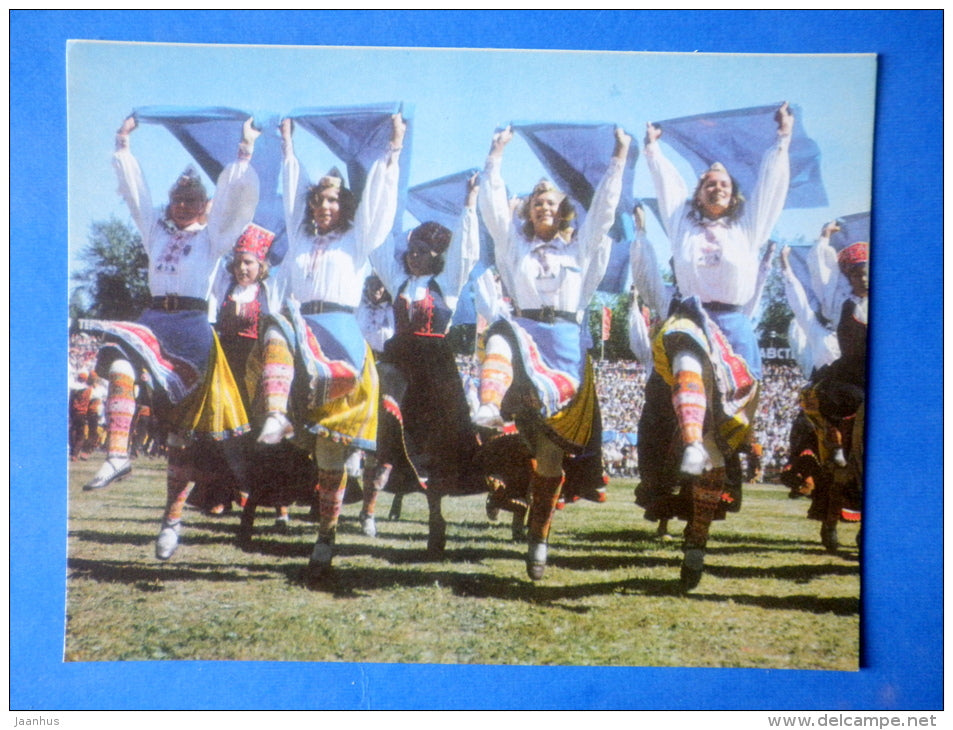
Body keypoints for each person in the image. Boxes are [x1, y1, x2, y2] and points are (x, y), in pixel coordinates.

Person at [81, 114, 261, 564]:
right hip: (152, 322)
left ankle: (172, 521)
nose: (184, 204)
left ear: (204, 205)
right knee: (120, 364)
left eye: (193, 198)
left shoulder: (213, 237)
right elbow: (136, 196)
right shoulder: (155, 232)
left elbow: (235, 204)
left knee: (182, 438)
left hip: (191, 329)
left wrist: (243, 153)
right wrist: (122, 144)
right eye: (179, 197)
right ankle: (118, 453)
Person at [635, 102, 793, 589]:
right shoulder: (682, 225)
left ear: (733, 195)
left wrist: (781, 141)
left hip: (736, 331)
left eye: (724, 182)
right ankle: (686, 447)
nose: (717, 185)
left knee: (719, 451)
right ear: (698, 195)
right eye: (708, 182)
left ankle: (696, 544)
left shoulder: (748, 230)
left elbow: (770, 190)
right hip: (693, 318)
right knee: (682, 347)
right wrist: (653, 149)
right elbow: (667, 189)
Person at [248, 113, 405, 584]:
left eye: (334, 199)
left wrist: (393, 149)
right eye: (320, 198)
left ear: (346, 205)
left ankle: (327, 535)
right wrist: (288, 145)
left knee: (330, 456)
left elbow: (379, 203)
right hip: (303, 326)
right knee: (274, 325)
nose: (324, 205)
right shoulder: (298, 238)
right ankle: (277, 412)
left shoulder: (358, 240)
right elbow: (291, 184)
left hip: (339, 335)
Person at [474, 124, 631, 580]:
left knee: (550, 457)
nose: (545, 207)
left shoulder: (580, 247)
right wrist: (496, 155)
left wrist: (618, 158)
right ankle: (488, 405)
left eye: (553, 203)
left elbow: (602, 210)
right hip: (524, 333)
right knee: (501, 334)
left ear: (563, 212)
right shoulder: (513, 244)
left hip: (563, 349)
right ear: (528, 211)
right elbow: (491, 207)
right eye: (537, 202)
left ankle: (539, 538)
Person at [369, 174, 482, 552]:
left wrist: (469, 207)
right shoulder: (399, 281)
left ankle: (436, 518)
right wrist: (383, 194)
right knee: (383, 415)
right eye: (411, 250)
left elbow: (466, 251)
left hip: (434, 366)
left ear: (435, 257)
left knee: (434, 442)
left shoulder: (447, 284)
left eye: (421, 252)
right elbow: (378, 246)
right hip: (400, 359)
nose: (413, 256)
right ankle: (370, 485)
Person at [798, 239, 868, 550]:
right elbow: (853, 348)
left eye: (866, 273)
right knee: (822, 398)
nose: (863, 278)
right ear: (849, 277)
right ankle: (836, 446)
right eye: (856, 274)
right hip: (856, 376)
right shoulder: (850, 306)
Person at [352, 273, 395, 536]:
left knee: (381, 449)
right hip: (359, 373)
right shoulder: (357, 309)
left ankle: (368, 512)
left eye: (381, 285)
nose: (376, 290)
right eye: (371, 285)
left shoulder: (396, 310)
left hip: (388, 375)